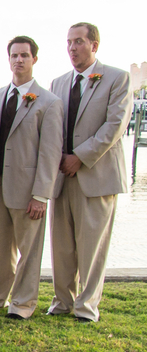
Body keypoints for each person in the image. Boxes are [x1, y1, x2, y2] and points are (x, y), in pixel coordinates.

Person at [48, 23, 133, 322]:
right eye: (69, 42)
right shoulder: (58, 83)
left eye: (79, 42)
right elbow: (51, 128)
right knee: (62, 247)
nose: (72, 48)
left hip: (96, 175)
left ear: (94, 45)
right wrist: (55, 158)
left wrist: (80, 158)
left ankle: (86, 306)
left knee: (92, 246)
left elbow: (115, 126)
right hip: (60, 176)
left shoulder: (117, 78)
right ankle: (62, 301)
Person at [0, 36, 63, 319]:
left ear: (34, 60)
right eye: (14, 55)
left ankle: (23, 303)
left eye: (24, 56)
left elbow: (50, 152)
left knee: (29, 251)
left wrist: (41, 194)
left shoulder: (49, 102)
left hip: (28, 189)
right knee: (0, 247)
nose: (19, 60)